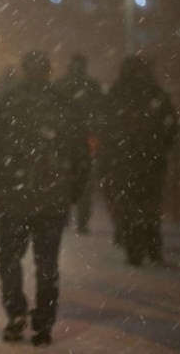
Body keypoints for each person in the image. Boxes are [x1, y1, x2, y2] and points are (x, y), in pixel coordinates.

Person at [0, 50, 89, 347]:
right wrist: (75, 188)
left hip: (15, 195)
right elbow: (79, 151)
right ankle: (44, 323)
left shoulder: (6, 102)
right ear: (48, 71)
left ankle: (16, 313)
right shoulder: (63, 104)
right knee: (47, 263)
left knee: (9, 257)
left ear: (23, 71)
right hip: (53, 197)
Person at [98, 55, 177, 266]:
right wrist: (160, 147)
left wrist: (110, 152)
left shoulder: (116, 93)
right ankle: (153, 246)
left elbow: (103, 126)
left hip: (123, 160)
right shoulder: (155, 93)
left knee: (128, 205)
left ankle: (133, 248)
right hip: (151, 159)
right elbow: (170, 125)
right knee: (150, 204)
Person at [54, 54, 103, 234]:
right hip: (87, 139)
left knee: (63, 179)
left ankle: (64, 216)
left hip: (64, 141)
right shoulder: (92, 86)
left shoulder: (60, 86)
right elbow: (100, 112)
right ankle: (82, 221)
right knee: (85, 181)